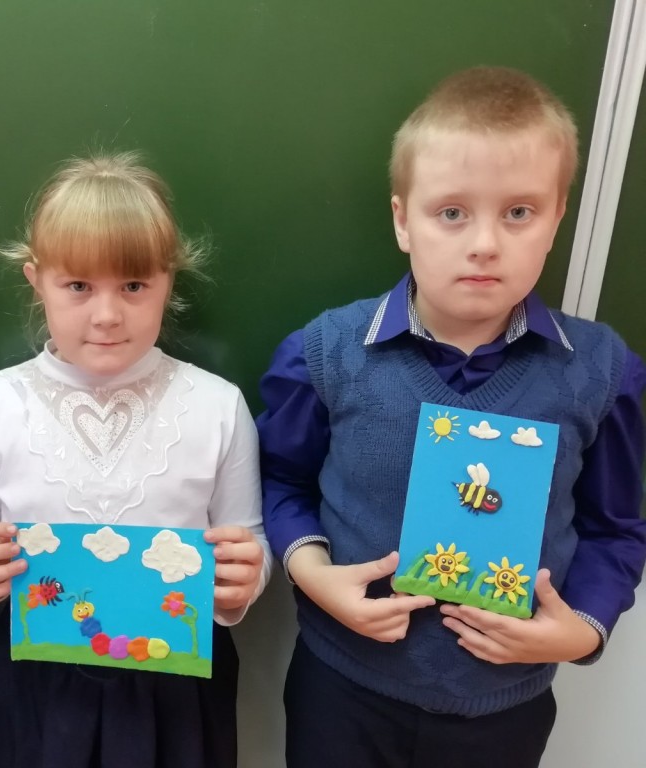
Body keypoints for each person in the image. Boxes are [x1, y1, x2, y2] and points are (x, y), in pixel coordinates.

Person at [257, 66, 646, 768]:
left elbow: (614, 527)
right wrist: (313, 574)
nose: (485, 243)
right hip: (343, 690)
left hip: (504, 709)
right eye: (452, 213)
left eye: (519, 212)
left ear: (558, 218)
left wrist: (583, 630)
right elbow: (282, 482)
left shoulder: (601, 373)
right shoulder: (325, 354)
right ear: (403, 220)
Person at [0, 152, 272, 768]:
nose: (107, 314)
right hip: (35, 681)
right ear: (36, 280)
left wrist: (243, 581)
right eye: (78, 286)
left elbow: (245, 542)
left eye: (134, 286)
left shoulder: (216, 405)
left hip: (174, 685)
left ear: (167, 281)